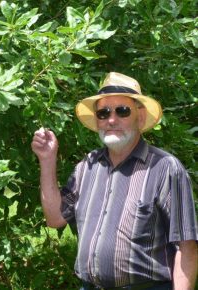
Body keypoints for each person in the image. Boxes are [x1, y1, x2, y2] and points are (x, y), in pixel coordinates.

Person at [31, 72, 198, 290]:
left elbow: (187, 247)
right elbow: (55, 218)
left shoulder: (165, 168)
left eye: (122, 110)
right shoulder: (88, 165)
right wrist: (47, 160)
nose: (111, 120)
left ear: (139, 116)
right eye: (103, 113)